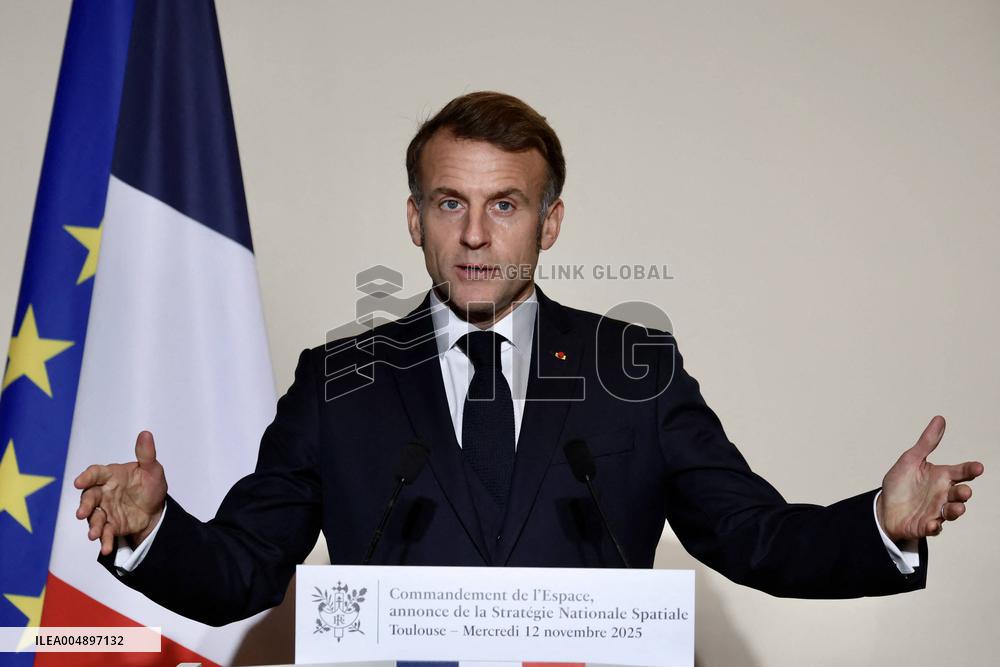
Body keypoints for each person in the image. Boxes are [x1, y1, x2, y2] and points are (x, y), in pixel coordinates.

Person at [74, 92, 984, 626]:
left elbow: (758, 537)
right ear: (413, 217)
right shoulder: (340, 378)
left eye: (505, 205)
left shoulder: (635, 366)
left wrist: (880, 522)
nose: (474, 234)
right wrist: (156, 528)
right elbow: (243, 566)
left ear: (550, 221)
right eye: (448, 202)